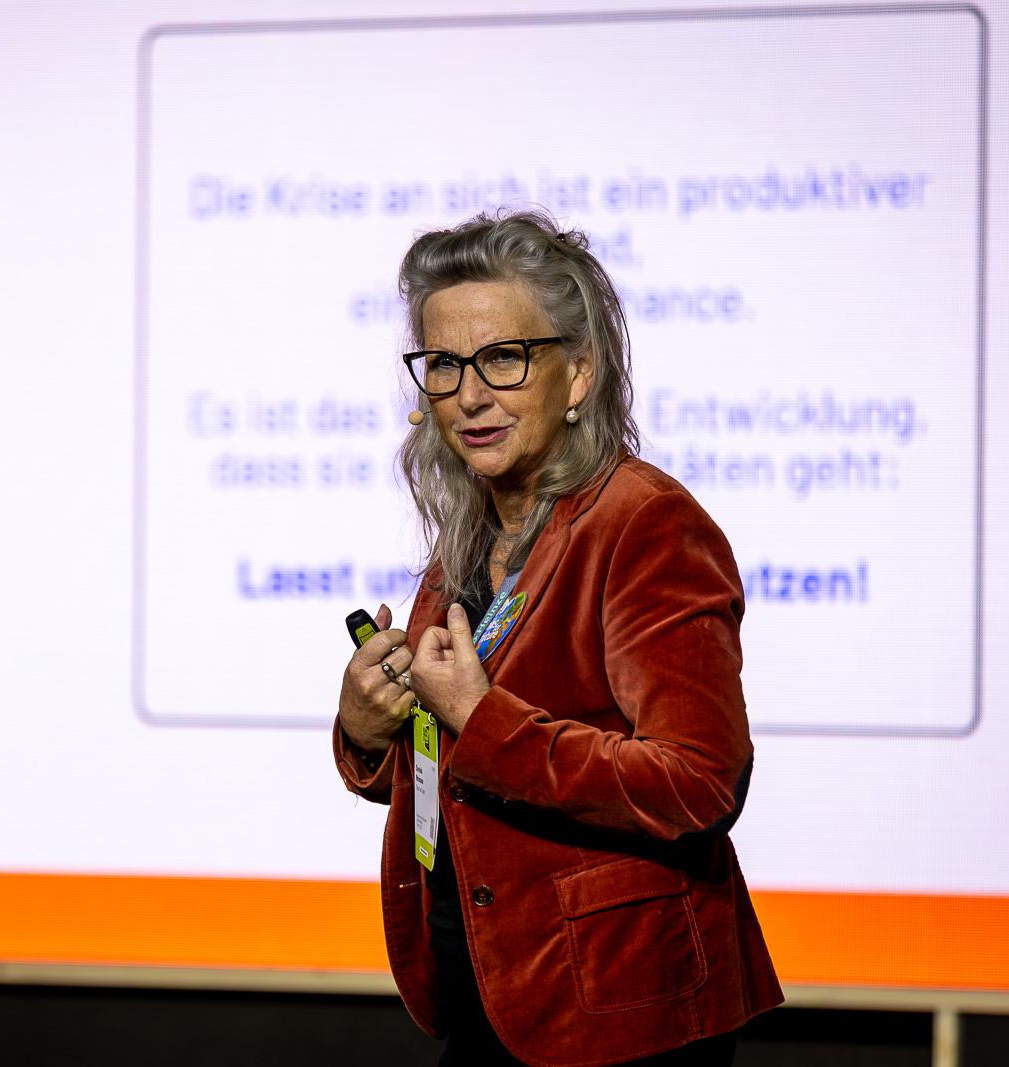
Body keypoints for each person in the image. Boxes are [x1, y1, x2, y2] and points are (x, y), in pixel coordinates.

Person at [334, 211, 781, 1066]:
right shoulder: (472, 530)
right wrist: (368, 727)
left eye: (503, 358)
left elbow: (698, 781)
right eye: (443, 364)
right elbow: (453, 772)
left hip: (621, 1012)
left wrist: (482, 716)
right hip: (496, 994)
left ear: (578, 373)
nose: (468, 395)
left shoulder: (646, 524)